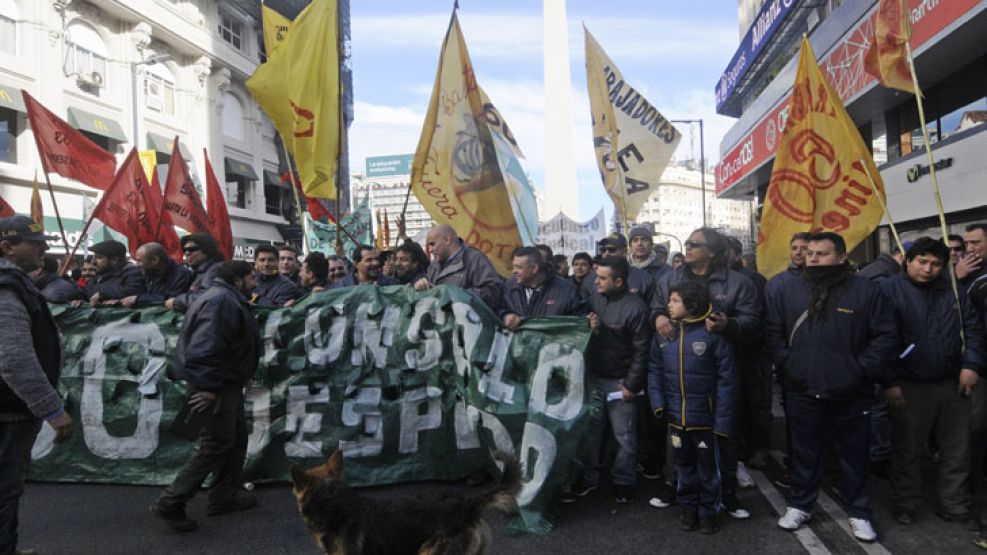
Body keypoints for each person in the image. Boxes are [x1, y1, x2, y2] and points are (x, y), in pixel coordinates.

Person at [765, 232, 897, 543]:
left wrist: (860, 370)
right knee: (804, 453)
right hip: (803, 389)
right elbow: (773, 332)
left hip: (852, 392)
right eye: (809, 253)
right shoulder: (789, 289)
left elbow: (885, 336)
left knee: (854, 455)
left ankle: (859, 512)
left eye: (821, 253)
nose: (812, 258)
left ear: (840, 257)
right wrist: (789, 364)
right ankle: (800, 505)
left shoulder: (866, 291)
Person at [651, 227, 759, 518]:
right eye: (686, 243)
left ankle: (727, 493)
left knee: (722, 436)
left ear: (712, 251)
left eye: (694, 244)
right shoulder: (669, 279)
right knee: (678, 437)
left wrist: (729, 324)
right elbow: (655, 307)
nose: (686, 247)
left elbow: (753, 321)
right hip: (682, 374)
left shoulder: (739, 282)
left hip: (721, 374)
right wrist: (660, 316)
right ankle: (674, 486)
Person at [881, 237, 984, 527]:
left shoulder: (954, 289)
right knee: (907, 449)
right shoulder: (889, 291)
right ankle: (906, 502)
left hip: (953, 382)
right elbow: (882, 340)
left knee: (956, 449)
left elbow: (973, 329)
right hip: (909, 383)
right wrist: (890, 381)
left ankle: (954, 503)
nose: (928, 269)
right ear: (908, 260)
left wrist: (972, 364)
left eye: (936, 264)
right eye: (922, 262)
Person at [150, 261, 260, 533]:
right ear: (237, 279)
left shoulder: (221, 297)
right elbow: (205, 347)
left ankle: (224, 496)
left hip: (225, 383)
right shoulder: (222, 301)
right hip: (216, 386)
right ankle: (171, 502)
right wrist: (208, 388)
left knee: (234, 439)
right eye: (251, 277)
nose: (255, 283)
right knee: (217, 443)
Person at [0, 216, 74, 554]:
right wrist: (52, 410)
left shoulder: (15, 283)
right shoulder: (6, 287)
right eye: (35, 242)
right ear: (8, 248)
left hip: (9, 408)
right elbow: (13, 358)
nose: (44, 248)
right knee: (4, 488)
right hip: (8, 411)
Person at [648, 281, 735, 534]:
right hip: (676, 419)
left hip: (705, 421)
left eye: (675, 301)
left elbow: (727, 381)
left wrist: (722, 421)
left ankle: (709, 511)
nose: (668, 305)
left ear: (692, 305)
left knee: (708, 468)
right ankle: (688, 507)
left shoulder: (712, 336)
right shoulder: (664, 336)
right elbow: (654, 371)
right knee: (683, 465)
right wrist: (658, 404)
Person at [563, 256, 650, 505]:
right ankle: (590, 479)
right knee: (591, 434)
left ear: (619, 281)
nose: (596, 281)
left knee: (624, 436)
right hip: (593, 379)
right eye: (596, 276)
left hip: (620, 381)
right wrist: (592, 328)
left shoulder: (636, 309)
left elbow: (642, 351)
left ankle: (624, 482)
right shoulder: (593, 300)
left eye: (602, 278)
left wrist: (631, 385)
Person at [416, 224, 502, 310]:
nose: (430, 249)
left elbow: (493, 292)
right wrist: (421, 286)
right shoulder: (434, 265)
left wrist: (455, 295)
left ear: (447, 240)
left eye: (432, 244)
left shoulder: (474, 259)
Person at [499, 247, 585, 330]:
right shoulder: (509, 286)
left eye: (519, 267)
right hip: (519, 343)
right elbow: (499, 309)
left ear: (534, 269)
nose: (514, 271)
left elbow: (580, 322)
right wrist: (505, 316)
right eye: (514, 267)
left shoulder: (566, 290)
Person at [108, 243, 193, 308]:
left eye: (140, 261)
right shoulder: (148, 272)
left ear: (154, 260)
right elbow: (138, 292)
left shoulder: (181, 273)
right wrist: (120, 301)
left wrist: (138, 299)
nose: (137, 265)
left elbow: (171, 299)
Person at [580, 234, 655, 304]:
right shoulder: (589, 281)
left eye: (612, 250)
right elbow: (584, 311)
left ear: (625, 252)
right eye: (603, 250)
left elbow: (652, 309)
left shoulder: (643, 278)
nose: (606, 253)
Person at [166, 233, 225, 313]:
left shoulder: (215, 270)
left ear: (207, 249)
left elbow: (207, 297)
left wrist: (176, 301)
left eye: (192, 249)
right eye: (185, 250)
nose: (187, 253)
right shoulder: (198, 272)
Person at [81, 240, 145, 306]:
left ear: (114, 259)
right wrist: (78, 299)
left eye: (99, 257)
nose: (93, 262)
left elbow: (134, 290)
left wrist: (103, 294)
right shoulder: (99, 276)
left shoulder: (132, 272)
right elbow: (87, 292)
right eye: (94, 257)